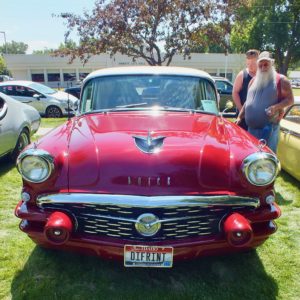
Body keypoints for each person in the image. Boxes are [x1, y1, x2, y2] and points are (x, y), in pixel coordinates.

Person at [236, 51, 294, 153]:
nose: (263, 68)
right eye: (260, 65)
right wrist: (240, 117)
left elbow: (290, 100)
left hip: (268, 130)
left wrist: (276, 107)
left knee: (266, 160)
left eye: (266, 64)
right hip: (250, 130)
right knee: (251, 159)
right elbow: (247, 102)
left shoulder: (281, 80)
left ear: (272, 64)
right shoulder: (253, 81)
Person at [232, 49, 260, 130]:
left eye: (253, 63)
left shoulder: (262, 76)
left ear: (258, 62)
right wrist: (241, 109)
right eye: (248, 63)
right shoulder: (242, 75)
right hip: (243, 118)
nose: (250, 66)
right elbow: (235, 92)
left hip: (258, 118)